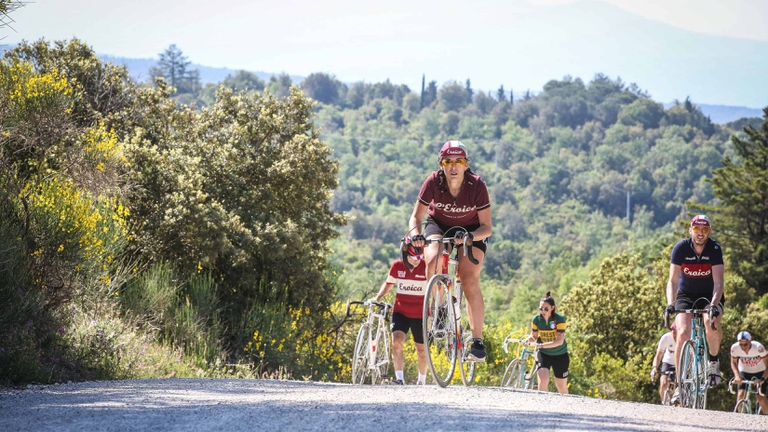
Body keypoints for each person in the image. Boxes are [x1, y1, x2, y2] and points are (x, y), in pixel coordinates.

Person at [408, 140, 492, 361]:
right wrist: (415, 235)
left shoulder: (477, 186)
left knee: (469, 277)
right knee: (433, 258)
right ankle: (441, 308)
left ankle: (477, 342)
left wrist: (470, 237)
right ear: (441, 164)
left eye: (459, 161)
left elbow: (487, 227)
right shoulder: (433, 182)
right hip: (440, 225)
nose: (453, 166)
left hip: (472, 230)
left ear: (466, 165)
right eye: (448, 161)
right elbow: (416, 217)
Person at [665, 214, 724, 390]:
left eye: (704, 229)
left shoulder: (714, 248)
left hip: (709, 294)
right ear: (690, 230)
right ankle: (679, 384)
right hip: (686, 295)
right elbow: (673, 281)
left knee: (710, 321)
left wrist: (713, 305)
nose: (700, 233)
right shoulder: (681, 248)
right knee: (682, 332)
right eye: (697, 229)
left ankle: (713, 363)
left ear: (709, 232)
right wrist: (670, 304)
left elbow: (719, 282)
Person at [370, 243, 428, 385]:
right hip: (400, 311)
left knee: (421, 350)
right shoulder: (397, 266)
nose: (417, 260)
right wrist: (377, 298)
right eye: (413, 257)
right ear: (404, 255)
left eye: (419, 257)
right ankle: (400, 379)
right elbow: (389, 284)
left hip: (420, 314)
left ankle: (421, 381)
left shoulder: (426, 267)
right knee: (396, 343)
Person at [527, 290, 569, 394]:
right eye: (541, 309)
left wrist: (540, 345)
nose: (543, 311)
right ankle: (542, 406)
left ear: (552, 308)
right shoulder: (536, 320)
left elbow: (559, 341)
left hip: (560, 354)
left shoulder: (559, 319)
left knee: (561, 386)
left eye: (546, 309)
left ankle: (567, 407)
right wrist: (527, 341)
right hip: (544, 354)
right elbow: (534, 336)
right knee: (543, 380)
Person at [729, 331, 768, 414]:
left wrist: (762, 379)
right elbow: (733, 363)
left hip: (759, 372)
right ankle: (741, 417)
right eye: (741, 345)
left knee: (760, 397)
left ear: (750, 341)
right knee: (740, 395)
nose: (743, 347)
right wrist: (736, 375)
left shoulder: (758, 347)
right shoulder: (734, 348)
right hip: (744, 371)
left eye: (745, 344)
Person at [651, 323, 677, 403]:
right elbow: (658, 356)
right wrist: (654, 368)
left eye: (677, 332)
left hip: (680, 363)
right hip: (668, 361)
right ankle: (664, 402)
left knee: (678, 383)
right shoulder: (666, 338)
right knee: (663, 383)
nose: (675, 335)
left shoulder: (685, 337)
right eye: (673, 332)